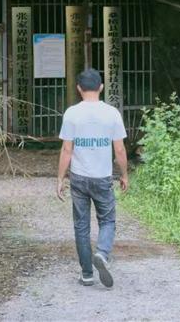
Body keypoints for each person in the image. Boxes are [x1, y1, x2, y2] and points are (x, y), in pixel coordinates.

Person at [56, 68, 129, 288]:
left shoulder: (71, 114)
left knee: (81, 226)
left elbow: (67, 150)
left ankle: (87, 273)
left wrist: (60, 178)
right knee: (107, 220)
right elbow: (120, 150)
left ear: (79, 88)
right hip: (102, 177)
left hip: (79, 178)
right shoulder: (112, 113)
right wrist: (124, 175)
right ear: (101, 87)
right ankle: (102, 254)